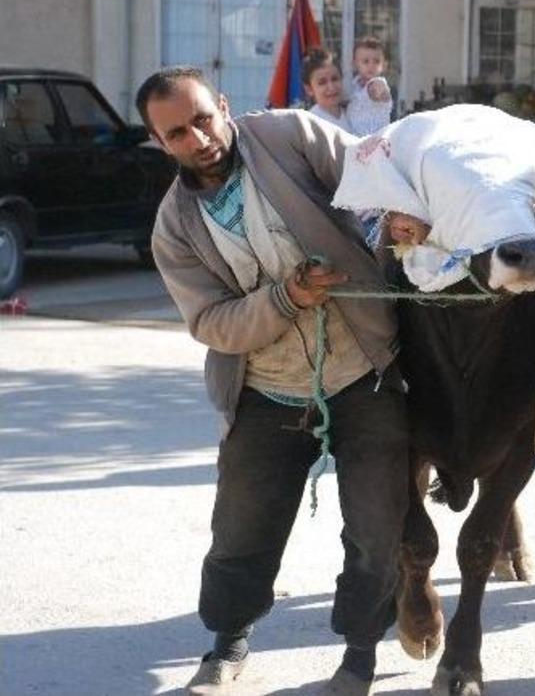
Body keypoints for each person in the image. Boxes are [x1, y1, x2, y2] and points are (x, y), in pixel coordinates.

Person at [137, 66, 407, 696]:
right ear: (160, 143)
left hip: (364, 366)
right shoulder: (174, 226)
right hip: (265, 383)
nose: (198, 138)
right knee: (242, 528)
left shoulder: (290, 137)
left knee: (376, 526)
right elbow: (211, 323)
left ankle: (360, 656)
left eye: (203, 119)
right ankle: (226, 646)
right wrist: (285, 299)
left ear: (223, 106)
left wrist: (398, 221)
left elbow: (375, 180)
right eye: (177, 133)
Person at [346, 36, 393, 136]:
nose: (371, 65)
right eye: (365, 61)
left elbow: (378, 91)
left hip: (375, 139)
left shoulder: (378, 83)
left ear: (384, 65)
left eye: (376, 61)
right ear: (354, 64)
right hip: (355, 139)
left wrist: (379, 93)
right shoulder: (354, 84)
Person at [303, 47, 353, 134]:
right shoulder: (311, 123)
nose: (331, 87)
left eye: (335, 79)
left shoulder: (352, 112)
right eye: (322, 82)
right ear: (309, 89)